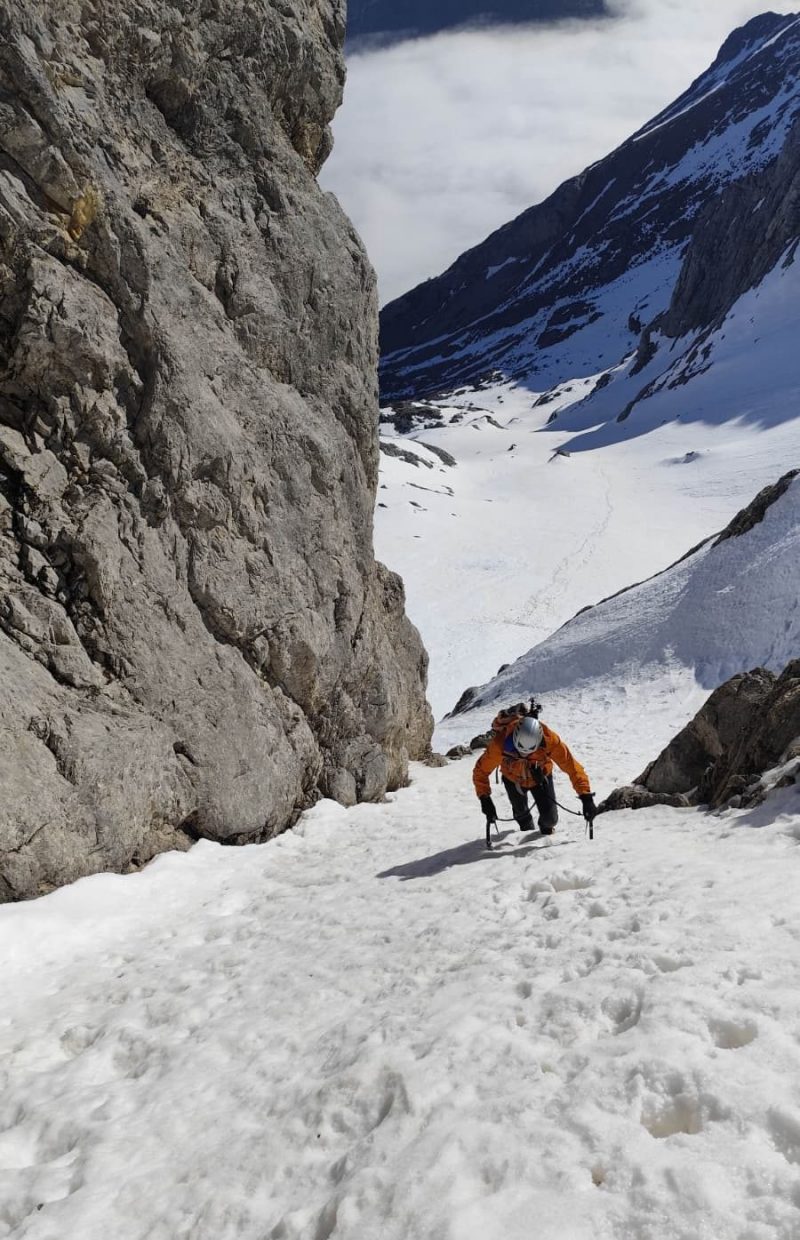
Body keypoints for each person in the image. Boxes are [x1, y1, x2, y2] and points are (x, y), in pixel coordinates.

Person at [473, 713, 596, 834]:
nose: (524, 755)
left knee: (550, 819)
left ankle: (545, 829)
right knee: (522, 817)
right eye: (520, 750)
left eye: (529, 752)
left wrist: (586, 797)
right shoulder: (500, 744)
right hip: (512, 779)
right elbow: (481, 771)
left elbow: (572, 767)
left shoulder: (549, 740)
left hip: (541, 778)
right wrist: (485, 799)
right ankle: (526, 831)